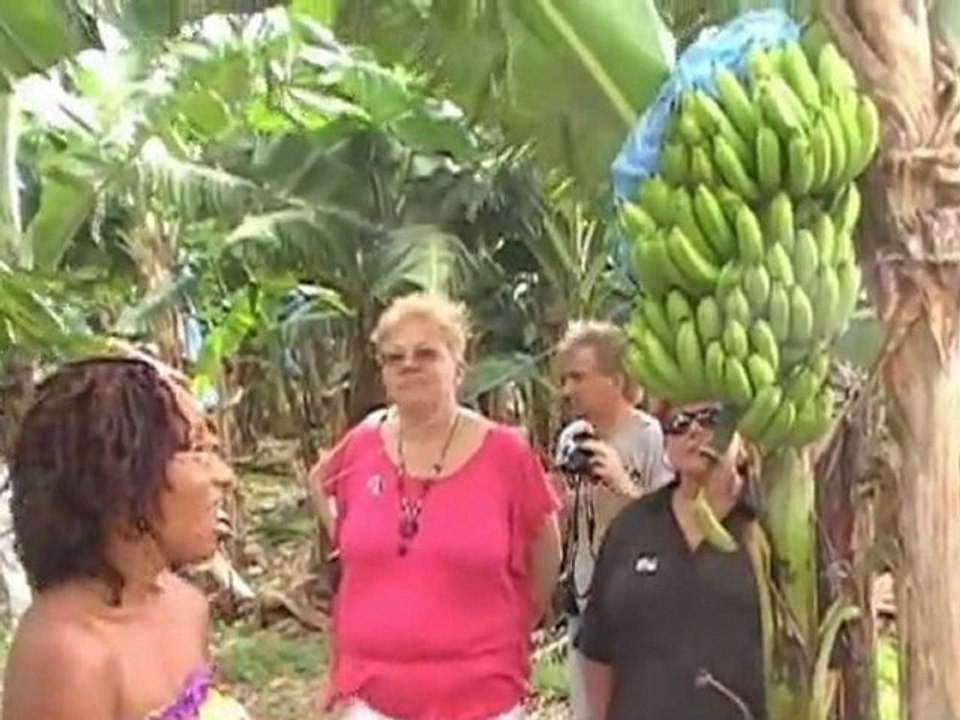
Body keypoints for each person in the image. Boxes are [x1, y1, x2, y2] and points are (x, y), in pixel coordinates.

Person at [309, 292, 563, 720]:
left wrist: (510, 627)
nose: (409, 364)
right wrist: (350, 541)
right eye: (394, 357)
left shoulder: (506, 454)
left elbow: (546, 556)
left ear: (458, 366)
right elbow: (319, 482)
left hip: (482, 697)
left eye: (426, 353)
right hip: (370, 696)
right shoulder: (361, 444)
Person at [2, 357, 251, 720]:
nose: (224, 475)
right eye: (197, 451)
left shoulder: (187, 608)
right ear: (117, 475)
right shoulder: (69, 656)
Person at [576, 402, 766, 720]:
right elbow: (598, 646)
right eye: (679, 422)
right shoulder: (633, 526)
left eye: (711, 418)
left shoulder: (772, 527)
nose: (693, 431)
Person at [552, 321, 671, 718]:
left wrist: (622, 483)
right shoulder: (573, 436)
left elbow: (672, 521)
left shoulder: (650, 437)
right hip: (586, 597)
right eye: (565, 378)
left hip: (641, 600)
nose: (568, 389)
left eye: (579, 377)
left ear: (616, 379)